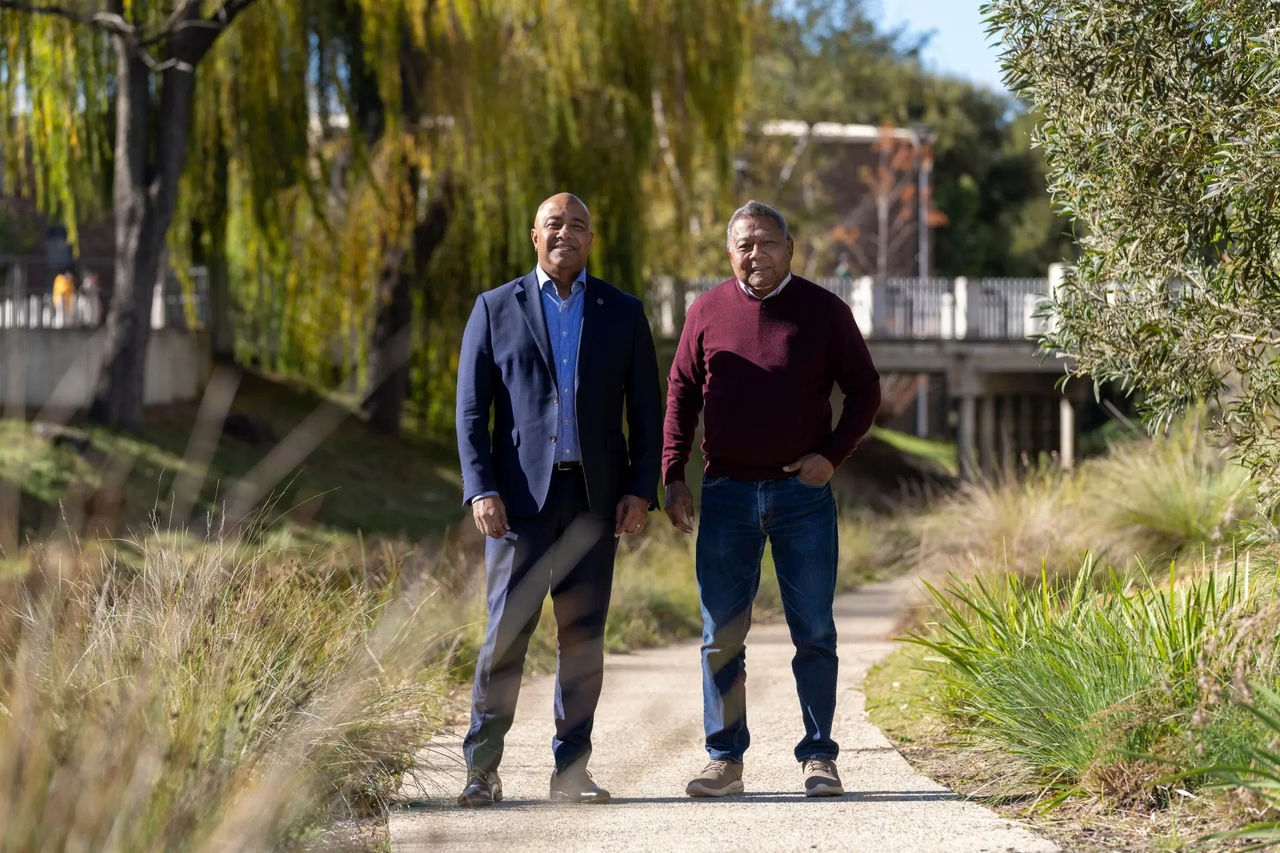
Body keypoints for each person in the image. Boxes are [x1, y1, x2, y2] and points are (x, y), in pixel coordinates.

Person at [663, 200, 881, 799]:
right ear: (729, 251)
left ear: (790, 248)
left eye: (766, 242)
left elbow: (864, 389)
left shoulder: (823, 311)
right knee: (721, 635)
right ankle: (724, 760)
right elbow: (681, 393)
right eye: (743, 244)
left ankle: (818, 757)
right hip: (728, 493)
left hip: (800, 496)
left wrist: (832, 456)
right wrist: (673, 473)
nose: (754, 254)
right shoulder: (706, 311)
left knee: (813, 630)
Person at [455, 192, 662, 807]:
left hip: (595, 502)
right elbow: (471, 411)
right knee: (506, 634)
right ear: (534, 235)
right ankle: (481, 770)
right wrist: (481, 487)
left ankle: (571, 770)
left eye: (578, 224)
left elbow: (646, 413)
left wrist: (639, 491)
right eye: (554, 223)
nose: (566, 231)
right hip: (518, 504)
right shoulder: (495, 308)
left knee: (583, 638)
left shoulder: (622, 313)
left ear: (590, 238)